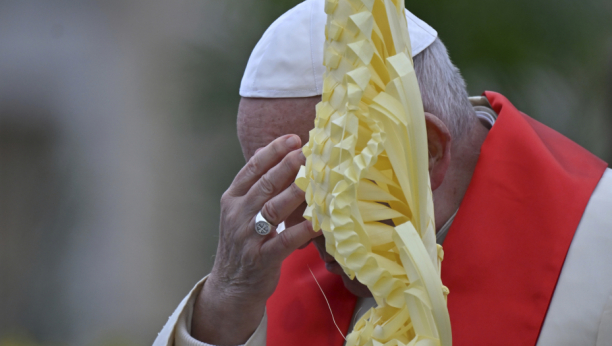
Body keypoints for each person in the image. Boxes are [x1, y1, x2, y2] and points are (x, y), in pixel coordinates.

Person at [153, 0, 612, 345]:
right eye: (273, 187)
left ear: (428, 150)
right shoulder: (269, 274)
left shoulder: (597, 247)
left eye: (317, 190)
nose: (292, 225)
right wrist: (220, 311)